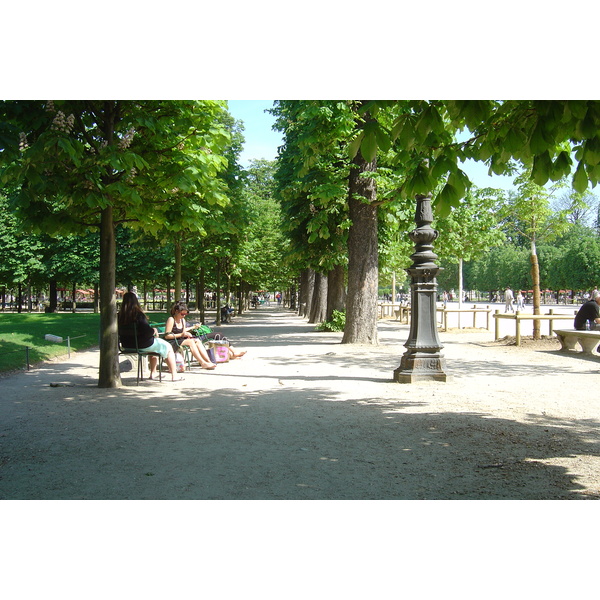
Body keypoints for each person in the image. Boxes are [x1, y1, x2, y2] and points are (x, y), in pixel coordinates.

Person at [118, 292, 181, 381]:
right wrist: (154, 331)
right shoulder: (138, 315)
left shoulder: (119, 316)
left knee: (155, 346)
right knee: (168, 347)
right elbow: (146, 332)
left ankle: (154, 372)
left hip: (126, 345)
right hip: (142, 345)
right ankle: (175, 375)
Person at [165, 302, 216, 370]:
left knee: (197, 341)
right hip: (172, 341)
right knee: (191, 342)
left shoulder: (182, 320)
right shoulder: (171, 319)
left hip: (180, 339)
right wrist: (182, 334)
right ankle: (202, 363)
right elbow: (167, 336)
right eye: (182, 314)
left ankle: (208, 361)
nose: (184, 316)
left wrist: (187, 334)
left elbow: (183, 332)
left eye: (185, 314)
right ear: (176, 311)